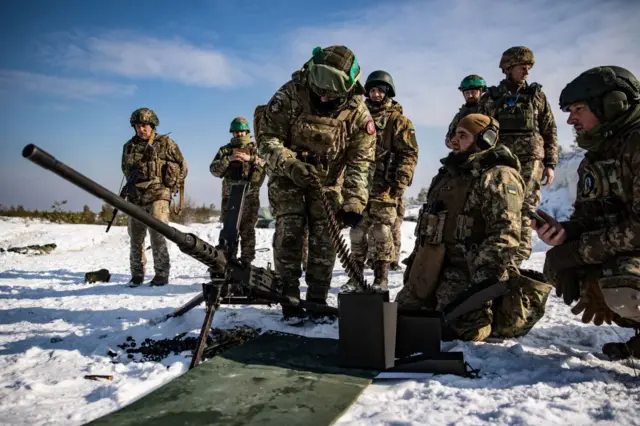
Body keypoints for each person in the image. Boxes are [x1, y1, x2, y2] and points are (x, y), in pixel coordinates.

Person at [396, 113, 551, 341]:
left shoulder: (499, 176)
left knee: (458, 329)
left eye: (462, 135)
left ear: (485, 139)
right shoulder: (449, 175)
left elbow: (505, 235)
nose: (454, 141)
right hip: (432, 268)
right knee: (401, 318)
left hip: (469, 273)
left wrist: (482, 285)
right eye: (454, 135)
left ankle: (484, 317)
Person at [258, 45, 376, 320]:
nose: (323, 97)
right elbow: (266, 140)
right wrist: (291, 165)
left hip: (329, 182)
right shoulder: (289, 94)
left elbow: (360, 161)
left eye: (330, 94)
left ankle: (317, 298)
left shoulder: (358, 113)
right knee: (290, 232)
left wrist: (354, 201)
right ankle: (288, 296)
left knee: (325, 238)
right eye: (319, 91)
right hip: (288, 177)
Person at [534, 65, 640, 359]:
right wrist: (567, 233)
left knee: (622, 282)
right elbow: (590, 218)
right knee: (560, 263)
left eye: (578, 109)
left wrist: (580, 250)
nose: (571, 119)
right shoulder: (594, 160)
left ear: (612, 105)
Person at [477, 46, 558, 264]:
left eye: (529, 68)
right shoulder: (492, 98)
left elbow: (549, 130)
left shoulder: (536, 96)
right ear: (508, 68)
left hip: (532, 163)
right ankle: (500, 256)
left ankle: (518, 259)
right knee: (501, 208)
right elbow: (480, 130)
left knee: (525, 210)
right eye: (523, 67)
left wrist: (550, 163)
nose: (527, 72)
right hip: (501, 163)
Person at [346, 70, 418, 291]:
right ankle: (356, 277)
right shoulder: (356, 116)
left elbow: (409, 153)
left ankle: (381, 278)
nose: (376, 94)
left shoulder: (398, 121)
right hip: (358, 183)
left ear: (388, 92)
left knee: (381, 232)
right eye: (373, 90)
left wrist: (400, 181)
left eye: (381, 90)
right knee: (357, 232)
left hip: (384, 186)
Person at [122, 107, 188, 286]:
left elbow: (183, 166)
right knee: (135, 236)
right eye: (137, 126)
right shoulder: (129, 146)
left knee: (158, 234)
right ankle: (137, 273)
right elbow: (125, 170)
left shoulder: (165, 143)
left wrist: (171, 185)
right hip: (136, 195)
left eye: (144, 125)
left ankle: (161, 273)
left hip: (158, 193)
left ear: (152, 125)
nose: (141, 129)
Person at [209, 117, 266, 264]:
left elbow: (268, 164)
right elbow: (214, 171)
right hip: (230, 198)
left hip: (250, 197)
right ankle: (228, 261)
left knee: (247, 231)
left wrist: (250, 158)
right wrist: (229, 159)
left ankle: (247, 262)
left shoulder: (256, 149)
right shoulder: (225, 150)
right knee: (229, 230)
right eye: (236, 132)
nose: (239, 135)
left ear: (247, 131)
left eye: (241, 131)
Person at [445, 74, 487, 149]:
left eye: (473, 92)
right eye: (467, 93)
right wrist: (454, 142)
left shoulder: (490, 109)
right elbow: (448, 139)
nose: (470, 95)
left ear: (481, 91)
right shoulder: (460, 115)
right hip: (466, 155)